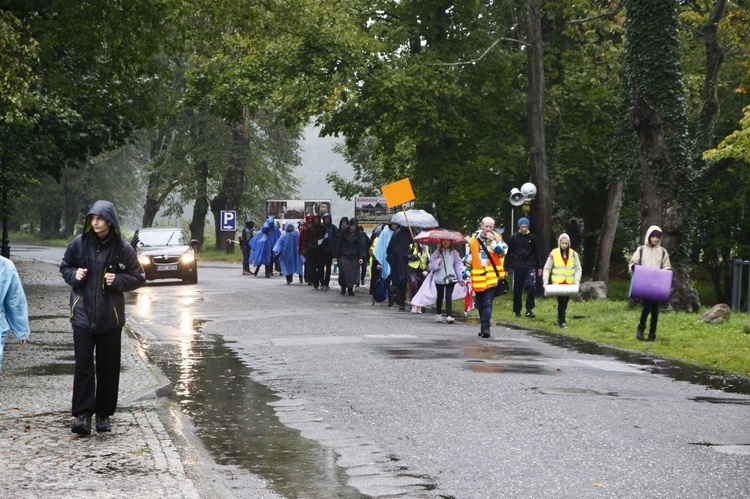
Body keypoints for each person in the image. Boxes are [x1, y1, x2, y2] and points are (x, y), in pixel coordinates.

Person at [60, 200, 146, 436]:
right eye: (92, 218)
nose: (95, 222)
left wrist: (118, 281)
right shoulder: (79, 243)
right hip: (82, 316)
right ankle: (83, 415)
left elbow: (139, 276)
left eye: (99, 218)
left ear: (109, 221)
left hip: (111, 317)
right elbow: (65, 267)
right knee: (84, 366)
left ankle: (104, 415)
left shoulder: (122, 249)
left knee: (108, 368)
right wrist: (75, 274)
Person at [464, 217, 507, 338]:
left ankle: (486, 328)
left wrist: (493, 241)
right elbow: (468, 259)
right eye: (486, 226)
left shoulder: (498, 239)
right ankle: (483, 327)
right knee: (481, 304)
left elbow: (502, 253)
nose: (488, 229)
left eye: (491, 227)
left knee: (488, 302)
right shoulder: (473, 241)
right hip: (478, 280)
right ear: (481, 225)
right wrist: (466, 275)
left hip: (492, 278)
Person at [629, 225, 671, 341]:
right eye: (653, 237)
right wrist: (633, 268)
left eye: (658, 237)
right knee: (647, 307)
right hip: (644, 284)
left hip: (656, 284)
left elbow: (666, 265)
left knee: (655, 310)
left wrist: (666, 271)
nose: (655, 239)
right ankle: (641, 328)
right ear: (649, 236)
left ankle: (652, 333)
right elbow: (632, 262)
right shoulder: (641, 250)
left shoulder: (662, 251)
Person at [542, 233, 582, 329]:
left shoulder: (573, 254)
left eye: (566, 243)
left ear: (569, 244)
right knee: (561, 302)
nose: (564, 245)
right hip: (558, 283)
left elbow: (578, 268)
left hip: (569, 283)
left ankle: (560, 318)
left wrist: (577, 281)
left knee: (565, 302)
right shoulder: (554, 253)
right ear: (559, 243)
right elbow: (547, 268)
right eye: (562, 243)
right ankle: (562, 322)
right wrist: (545, 281)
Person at [505, 217, 542, 319]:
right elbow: (509, 253)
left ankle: (529, 309)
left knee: (531, 286)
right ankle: (517, 310)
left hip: (529, 266)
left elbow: (536, 253)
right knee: (518, 289)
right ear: (519, 227)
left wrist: (539, 266)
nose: (524, 229)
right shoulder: (514, 238)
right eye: (522, 227)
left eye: (526, 227)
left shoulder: (532, 237)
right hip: (518, 266)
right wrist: (506, 268)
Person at [0, 255, 30, 375]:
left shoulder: (5, 266)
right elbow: (14, 300)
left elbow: (15, 299)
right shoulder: (5, 266)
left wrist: (21, 330)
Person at [428, 238, 464, 324]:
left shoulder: (454, 253)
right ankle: (438, 314)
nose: (446, 242)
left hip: (451, 277)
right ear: (441, 241)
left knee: (448, 296)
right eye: (444, 240)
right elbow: (430, 265)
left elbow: (458, 265)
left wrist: (460, 278)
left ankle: (449, 315)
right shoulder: (437, 253)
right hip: (439, 277)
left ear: (451, 242)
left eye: (448, 240)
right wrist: (437, 262)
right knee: (440, 296)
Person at [335, 218, 365, 296]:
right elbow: (338, 243)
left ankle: (350, 289)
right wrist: (336, 255)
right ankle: (343, 287)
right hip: (344, 255)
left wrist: (361, 257)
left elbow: (361, 245)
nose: (353, 227)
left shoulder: (358, 233)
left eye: (355, 226)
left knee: (352, 274)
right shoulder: (344, 231)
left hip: (354, 256)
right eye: (352, 225)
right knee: (343, 272)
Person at [302, 215, 327, 289]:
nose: (316, 221)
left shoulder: (322, 228)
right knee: (312, 267)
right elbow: (306, 239)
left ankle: (321, 280)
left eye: (317, 219)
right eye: (315, 219)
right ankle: (315, 282)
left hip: (320, 250)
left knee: (321, 267)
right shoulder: (310, 228)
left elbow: (326, 238)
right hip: (312, 250)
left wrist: (325, 246)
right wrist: (305, 248)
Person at [321, 213, 337, 289]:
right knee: (321, 267)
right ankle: (321, 281)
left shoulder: (333, 228)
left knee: (328, 268)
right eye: (326, 219)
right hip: (321, 250)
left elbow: (336, 239)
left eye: (328, 219)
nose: (327, 220)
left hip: (330, 250)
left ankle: (327, 282)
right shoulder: (321, 227)